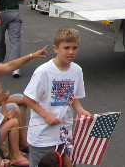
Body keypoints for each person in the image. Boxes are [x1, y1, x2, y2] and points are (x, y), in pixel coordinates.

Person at [23, 27, 90, 167]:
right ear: (55, 48)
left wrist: (80, 110)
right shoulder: (43, 72)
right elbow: (28, 98)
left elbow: (74, 96)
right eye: (66, 48)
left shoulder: (77, 70)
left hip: (65, 135)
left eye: (74, 48)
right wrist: (46, 115)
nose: (71, 52)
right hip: (43, 138)